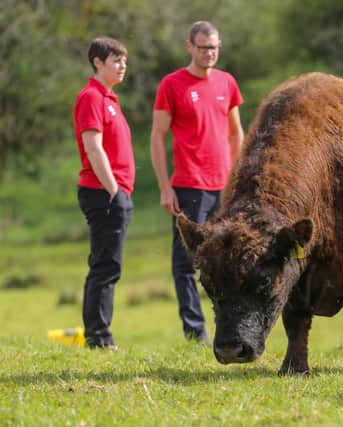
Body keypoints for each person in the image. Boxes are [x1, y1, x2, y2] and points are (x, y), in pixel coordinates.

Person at [150, 21, 244, 343]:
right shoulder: (171, 85)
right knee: (186, 262)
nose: (210, 53)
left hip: (224, 186)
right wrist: (165, 187)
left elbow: (235, 133)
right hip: (188, 186)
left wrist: (239, 178)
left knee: (230, 260)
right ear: (189, 47)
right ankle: (195, 331)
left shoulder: (227, 83)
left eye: (214, 47)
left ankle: (230, 327)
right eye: (203, 48)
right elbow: (157, 136)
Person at [73, 37, 135, 349]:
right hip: (103, 193)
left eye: (124, 60)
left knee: (108, 264)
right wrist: (115, 191)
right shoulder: (91, 97)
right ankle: (98, 336)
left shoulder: (109, 99)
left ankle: (99, 334)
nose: (123, 66)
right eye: (116, 60)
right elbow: (93, 147)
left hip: (113, 192)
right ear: (98, 62)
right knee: (106, 266)